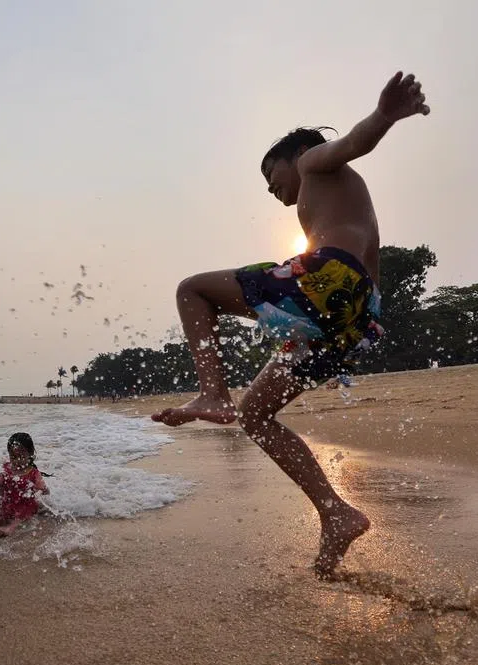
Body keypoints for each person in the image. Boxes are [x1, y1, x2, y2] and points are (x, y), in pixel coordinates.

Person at [152, 72, 430, 578]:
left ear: (296, 152)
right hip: (354, 318)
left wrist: (385, 116)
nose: (271, 186)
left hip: (328, 280)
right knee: (256, 417)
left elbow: (353, 142)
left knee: (191, 289)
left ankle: (212, 393)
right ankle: (336, 513)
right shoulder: (344, 199)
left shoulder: (314, 162)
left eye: (270, 172)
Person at [0, 433, 50, 537]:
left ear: (30, 454)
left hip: (25, 507)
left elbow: (44, 490)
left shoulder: (33, 473)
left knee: (21, 514)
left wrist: (40, 492)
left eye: (20, 456)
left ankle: (10, 528)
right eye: (13, 457)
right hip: (7, 505)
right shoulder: (7, 468)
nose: (17, 460)